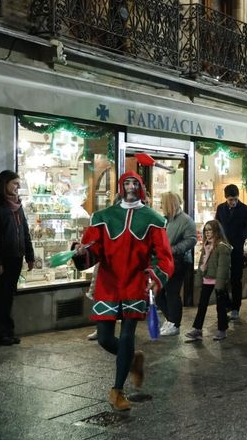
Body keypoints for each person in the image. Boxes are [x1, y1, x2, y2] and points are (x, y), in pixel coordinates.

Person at [72, 171, 174, 411]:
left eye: (134, 183)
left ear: (141, 187)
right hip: (108, 283)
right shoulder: (103, 217)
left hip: (136, 282)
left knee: (128, 334)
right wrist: (81, 252)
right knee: (106, 338)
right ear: (121, 187)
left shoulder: (153, 219)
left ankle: (117, 391)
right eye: (126, 183)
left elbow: (165, 257)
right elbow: (92, 250)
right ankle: (132, 359)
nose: (130, 186)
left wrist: (155, 275)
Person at [0, 170, 33, 346]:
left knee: (9, 296)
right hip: (1, 259)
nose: (17, 187)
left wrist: (29, 255)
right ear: (4, 183)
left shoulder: (17, 206)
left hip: (16, 257)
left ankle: (7, 331)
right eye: (14, 183)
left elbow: (25, 232)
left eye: (18, 184)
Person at [156, 192, 197, 337]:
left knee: (172, 292)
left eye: (162, 203)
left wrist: (173, 250)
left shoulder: (186, 220)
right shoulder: (164, 220)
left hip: (179, 262)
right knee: (159, 293)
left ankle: (174, 323)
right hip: (164, 261)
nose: (160, 205)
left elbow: (192, 240)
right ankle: (171, 320)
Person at [215, 184, 247, 321]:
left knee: (235, 279)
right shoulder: (221, 208)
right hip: (223, 248)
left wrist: (241, 240)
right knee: (221, 278)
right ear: (226, 198)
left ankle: (235, 308)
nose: (232, 202)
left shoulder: (245, 210)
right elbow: (217, 225)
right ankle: (226, 304)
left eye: (234, 199)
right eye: (230, 200)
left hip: (238, 250)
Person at [185, 220, 231, 341]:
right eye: (206, 230)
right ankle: (197, 329)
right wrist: (199, 278)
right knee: (202, 305)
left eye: (210, 230)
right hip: (207, 279)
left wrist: (220, 284)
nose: (208, 233)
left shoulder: (222, 246)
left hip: (217, 280)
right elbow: (202, 263)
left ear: (216, 231)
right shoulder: (206, 245)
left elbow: (223, 267)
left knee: (220, 307)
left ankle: (222, 330)